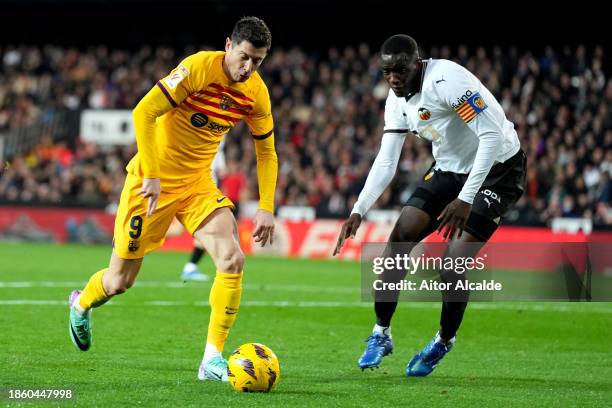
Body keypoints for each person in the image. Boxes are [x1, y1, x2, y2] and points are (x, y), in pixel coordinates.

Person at [68, 17, 278, 383]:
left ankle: (211, 358)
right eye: (244, 57)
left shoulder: (255, 93)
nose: (249, 68)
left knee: (232, 259)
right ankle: (81, 303)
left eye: (258, 61)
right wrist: (150, 173)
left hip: (197, 184)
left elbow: (267, 153)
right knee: (119, 281)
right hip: (151, 182)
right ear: (228, 45)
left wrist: (266, 206)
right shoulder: (198, 68)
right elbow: (144, 112)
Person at [333, 34, 525, 377]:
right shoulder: (397, 101)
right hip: (449, 169)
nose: (393, 78)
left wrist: (466, 199)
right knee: (399, 239)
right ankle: (381, 334)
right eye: (387, 71)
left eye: (400, 70)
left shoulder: (446, 82)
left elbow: (491, 135)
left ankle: (443, 340)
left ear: (417, 62)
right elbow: (386, 161)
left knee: (453, 263)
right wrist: (359, 209)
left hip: (498, 169)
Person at [180, 138, 227, 282]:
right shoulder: (214, 151)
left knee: (208, 231)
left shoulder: (204, 148)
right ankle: (191, 267)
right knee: (209, 231)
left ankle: (190, 267)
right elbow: (223, 172)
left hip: (199, 194)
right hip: (201, 195)